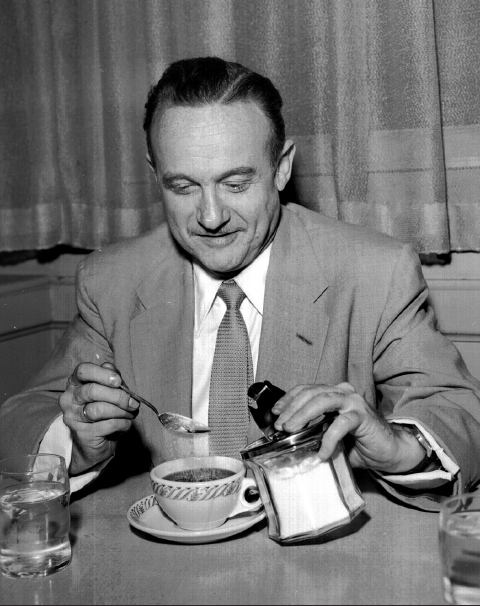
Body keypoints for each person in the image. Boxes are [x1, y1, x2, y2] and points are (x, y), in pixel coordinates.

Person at [1, 57, 479, 510]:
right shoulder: (113, 281)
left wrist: (394, 446)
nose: (210, 217)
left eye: (235, 184)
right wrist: (77, 439)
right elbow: (19, 421)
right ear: (155, 175)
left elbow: (460, 413)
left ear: (282, 167)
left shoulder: (375, 271)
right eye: (183, 187)